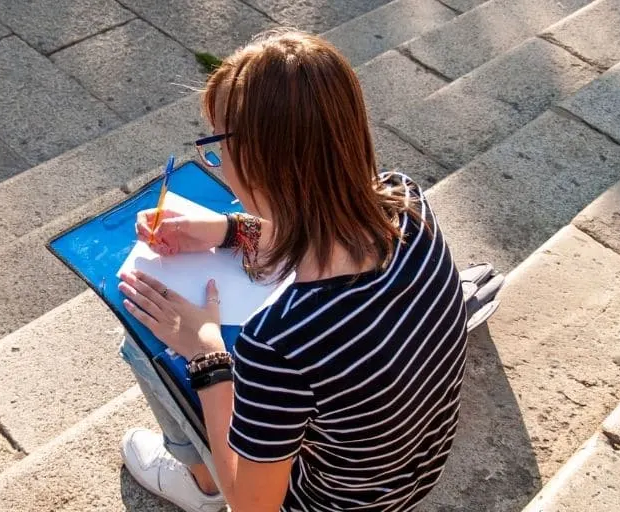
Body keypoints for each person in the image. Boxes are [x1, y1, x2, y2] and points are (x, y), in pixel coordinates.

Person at [116, 29, 469, 512]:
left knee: (142, 347)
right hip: (411, 469)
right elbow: (325, 228)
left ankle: (201, 484)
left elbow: (253, 508)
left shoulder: (279, 343)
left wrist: (206, 354)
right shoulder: (406, 202)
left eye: (217, 148)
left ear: (260, 162)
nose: (219, 166)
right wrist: (229, 230)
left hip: (320, 503)